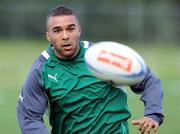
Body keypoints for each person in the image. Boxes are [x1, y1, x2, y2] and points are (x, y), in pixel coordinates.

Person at [16, 5, 164, 134]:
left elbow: (149, 79)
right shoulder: (41, 70)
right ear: (48, 36)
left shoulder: (104, 57)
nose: (65, 36)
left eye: (70, 29)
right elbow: (29, 117)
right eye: (57, 30)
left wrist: (152, 114)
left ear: (79, 30)